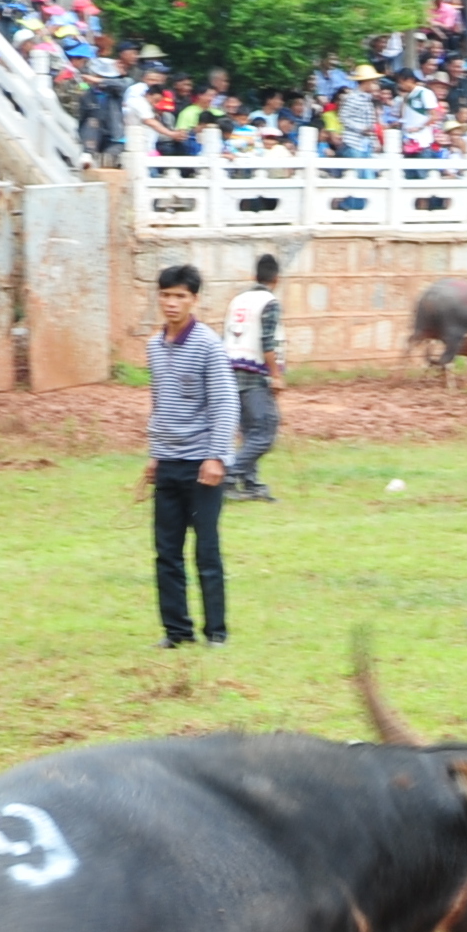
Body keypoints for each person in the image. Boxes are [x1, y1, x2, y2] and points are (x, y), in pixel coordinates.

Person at [140, 263, 233, 647]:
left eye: (180, 296)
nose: (172, 303)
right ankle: (177, 632)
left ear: (194, 300)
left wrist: (216, 458)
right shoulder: (154, 345)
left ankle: (216, 633)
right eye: (166, 295)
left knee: (206, 551)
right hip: (168, 464)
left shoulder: (209, 345)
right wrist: (154, 455)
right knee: (166, 552)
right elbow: (160, 404)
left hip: (201, 467)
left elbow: (225, 403)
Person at [222, 253, 287, 500]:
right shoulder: (269, 302)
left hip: (229, 370)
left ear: (254, 276)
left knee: (250, 430)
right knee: (266, 431)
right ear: (277, 279)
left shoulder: (237, 300)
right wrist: (276, 375)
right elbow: (267, 342)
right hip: (254, 373)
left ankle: (249, 483)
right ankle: (228, 474)